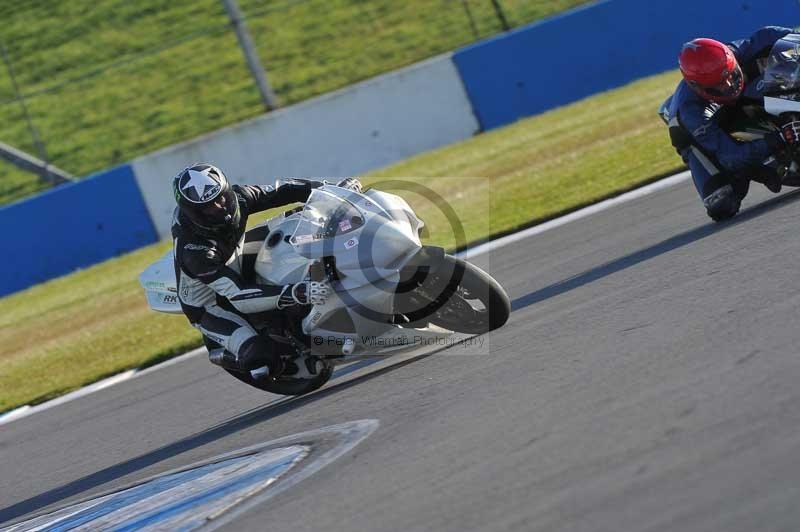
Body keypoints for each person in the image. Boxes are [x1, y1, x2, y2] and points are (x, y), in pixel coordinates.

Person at [172, 163, 360, 379]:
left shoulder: (239, 197)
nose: (220, 206)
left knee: (302, 220)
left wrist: (334, 192)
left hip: (236, 254)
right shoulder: (195, 251)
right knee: (261, 360)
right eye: (209, 207)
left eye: (221, 197)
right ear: (194, 212)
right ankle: (276, 359)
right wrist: (296, 292)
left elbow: (284, 189)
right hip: (210, 304)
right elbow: (239, 296)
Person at [667, 26, 800, 221]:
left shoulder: (749, 47)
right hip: (703, 136)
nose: (729, 85)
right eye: (719, 85)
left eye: (730, 75)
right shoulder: (692, 111)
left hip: (745, 99)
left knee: (783, 65)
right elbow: (731, 157)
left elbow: (783, 36)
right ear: (697, 87)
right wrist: (780, 138)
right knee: (722, 204)